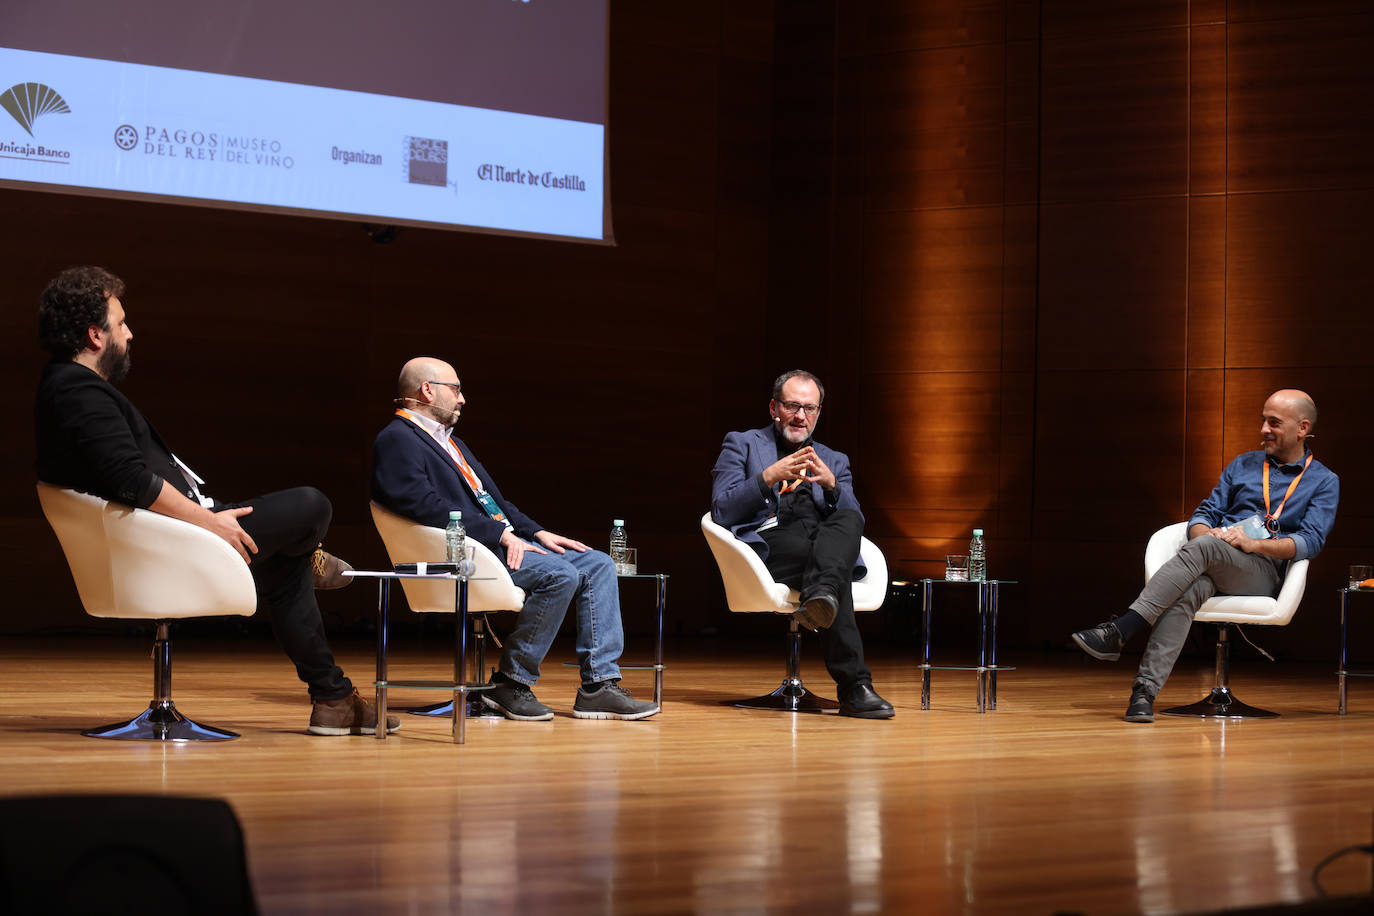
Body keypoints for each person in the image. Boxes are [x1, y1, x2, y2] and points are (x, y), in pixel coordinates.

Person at [34, 265, 397, 737]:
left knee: (287, 569)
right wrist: (210, 522)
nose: (130, 332)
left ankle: (332, 698)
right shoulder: (75, 389)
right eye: (121, 323)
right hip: (169, 541)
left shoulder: (71, 388)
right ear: (94, 335)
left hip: (169, 533)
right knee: (311, 505)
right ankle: (310, 584)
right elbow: (130, 480)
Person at [369, 357, 660, 722]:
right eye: (456, 389)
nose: (462, 400)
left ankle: (598, 686)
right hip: (469, 552)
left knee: (598, 563)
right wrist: (500, 535)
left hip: (500, 543)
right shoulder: (397, 439)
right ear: (427, 390)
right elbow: (417, 503)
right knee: (561, 575)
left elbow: (497, 503)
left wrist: (536, 531)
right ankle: (512, 681)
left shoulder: (451, 443)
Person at [1071, 389, 1339, 723]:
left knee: (1206, 552)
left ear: (1302, 428)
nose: (1264, 430)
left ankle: (1122, 629)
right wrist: (1206, 534)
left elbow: (1311, 541)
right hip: (1215, 556)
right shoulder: (1243, 465)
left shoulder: (1323, 481)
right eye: (1263, 421)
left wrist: (1256, 544)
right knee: (1189, 588)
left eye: (1274, 423)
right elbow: (1203, 515)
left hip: (1263, 571)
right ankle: (1143, 694)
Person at [709, 369, 894, 719]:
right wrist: (768, 477)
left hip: (824, 541)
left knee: (848, 519)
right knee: (832, 573)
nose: (801, 416)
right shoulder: (743, 443)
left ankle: (820, 593)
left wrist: (831, 487)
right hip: (772, 540)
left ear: (819, 412)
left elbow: (853, 522)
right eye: (793, 405)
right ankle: (855, 688)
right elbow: (721, 509)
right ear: (773, 408)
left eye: (810, 408)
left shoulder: (835, 461)